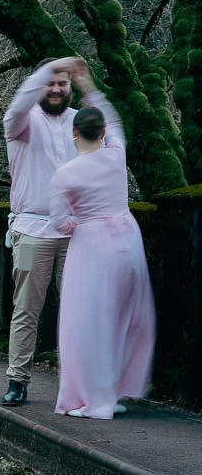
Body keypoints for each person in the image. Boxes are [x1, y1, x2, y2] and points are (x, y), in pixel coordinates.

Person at [48, 60, 155, 419]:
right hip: (127, 239)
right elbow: (113, 118)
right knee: (122, 320)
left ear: (74, 133)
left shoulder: (66, 174)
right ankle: (113, 391)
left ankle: (94, 400)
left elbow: (60, 223)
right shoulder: (116, 154)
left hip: (92, 246)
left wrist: (79, 221)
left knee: (88, 323)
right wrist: (88, 86)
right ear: (102, 133)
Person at [1, 57, 80, 405]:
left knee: (79, 312)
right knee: (26, 309)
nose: (55, 88)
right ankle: (17, 380)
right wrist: (52, 67)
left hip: (77, 232)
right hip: (32, 227)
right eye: (49, 82)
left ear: (70, 87)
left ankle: (79, 385)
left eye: (62, 82)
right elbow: (20, 101)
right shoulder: (22, 122)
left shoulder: (81, 122)